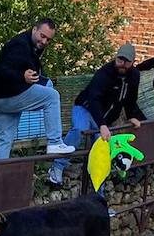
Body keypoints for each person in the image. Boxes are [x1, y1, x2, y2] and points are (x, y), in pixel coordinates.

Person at [49, 44, 145, 186]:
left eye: (127, 61)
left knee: (100, 155)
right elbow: (94, 99)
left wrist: (132, 115)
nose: (122, 65)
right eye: (120, 60)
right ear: (115, 58)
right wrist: (102, 124)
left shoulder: (134, 76)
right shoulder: (105, 73)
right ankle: (57, 166)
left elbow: (130, 98)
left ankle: (98, 195)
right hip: (86, 108)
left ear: (133, 62)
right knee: (80, 129)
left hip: (105, 118)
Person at [0, 18, 72, 160]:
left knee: (5, 138)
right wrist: (21, 75)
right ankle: (55, 142)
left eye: (48, 40)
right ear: (34, 29)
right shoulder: (20, 45)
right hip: (5, 95)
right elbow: (1, 69)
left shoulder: (32, 46)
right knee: (52, 96)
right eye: (42, 36)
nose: (44, 42)